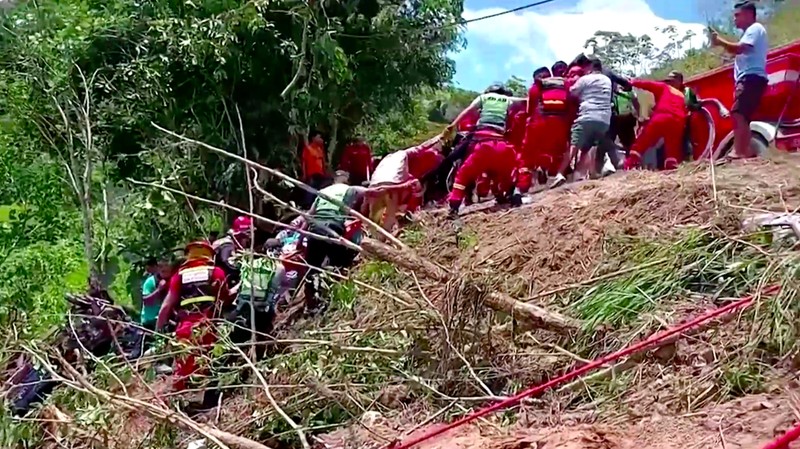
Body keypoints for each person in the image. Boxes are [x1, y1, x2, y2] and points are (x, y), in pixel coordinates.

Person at [156, 240, 229, 394]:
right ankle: (206, 403)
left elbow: (166, 306)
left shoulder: (179, 276)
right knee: (207, 365)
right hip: (208, 326)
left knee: (183, 367)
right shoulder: (216, 272)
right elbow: (224, 299)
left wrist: (158, 330)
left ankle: (178, 401)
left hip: (185, 327)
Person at [444, 84, 524, 216]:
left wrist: (451, 126)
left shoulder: (483, 98)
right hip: (502, 146)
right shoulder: (508, 100)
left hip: (482, 145)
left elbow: (467, 111)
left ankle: (454, 205)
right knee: (509, 174)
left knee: (462, 175)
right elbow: (526, 101)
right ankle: (512, 193)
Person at [710, 1, 768, 159]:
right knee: (742, 115)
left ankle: (740, 152)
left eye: (737, 15)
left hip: (750, 78)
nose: (734, 19)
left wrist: (720, 41)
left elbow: (740, 48)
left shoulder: (754, 29)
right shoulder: (751, 33)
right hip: (751, 79)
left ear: (749, 14)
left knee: (738, 114)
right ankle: (746, 151)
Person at [302, 172, 367, 315]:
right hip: (333, 228)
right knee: (341, 263)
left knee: (312, 269)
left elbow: (309, 214)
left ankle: (311, 305)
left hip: (315, 229)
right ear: (347, 180)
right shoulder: (350, 189)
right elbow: (370, 192)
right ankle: (337, 299)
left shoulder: (323, 192)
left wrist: (301, 237)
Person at [552, 58, 618, 188]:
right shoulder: (607, 80)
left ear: (590, 68)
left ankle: (560, 174)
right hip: (604, 119)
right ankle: (595, 170)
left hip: (587, 116)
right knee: (593, 145)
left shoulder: (585, 79)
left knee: (574, 146)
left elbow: (571, 92)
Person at [517, 66, 574, 192]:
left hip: (539, 123)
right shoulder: (565, 84)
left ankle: (523, 187)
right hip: (561, 124)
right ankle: (557, 175)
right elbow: (572, 104)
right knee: (558, 151)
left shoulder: (536, 87)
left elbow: (530, 110)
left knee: (527, 156)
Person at [368, 136, 443, 232]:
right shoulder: (403, 154)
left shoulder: (386, 159)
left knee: (374, 217)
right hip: (391, 185)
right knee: (389, 216)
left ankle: (373, 234)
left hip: (374, 185)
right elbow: (423, 146)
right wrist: (439, 137)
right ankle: (384, 237)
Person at [625, 71, 688, 171]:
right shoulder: (682, 95)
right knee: (672, 150)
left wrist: (632, 82)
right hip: (678, 121)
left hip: (662, 116)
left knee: (642, 142)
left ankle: (629, 166)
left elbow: (647, 85)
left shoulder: (664, 87)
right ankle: (671, 172)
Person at [213, 215, 253, 288]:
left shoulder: (230, 244)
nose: (248, 239)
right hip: (219, 282)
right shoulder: (227, 245)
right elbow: (227, 262)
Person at [140, 259, 174, 331]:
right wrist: (158, 290)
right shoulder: (150, 281)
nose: (164, 269)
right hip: (150, 321)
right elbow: (146, 301)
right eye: (161, 268)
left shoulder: (173, 280)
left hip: (167, 320)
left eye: (166, 267)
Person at [610, 85, 639, 156]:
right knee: (630, 141)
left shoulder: (613, 92)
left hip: (619, 118)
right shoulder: (630, 92)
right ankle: (630, 158)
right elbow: (636, 103)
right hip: (627, 118)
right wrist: (638, 114)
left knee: (622, 141)